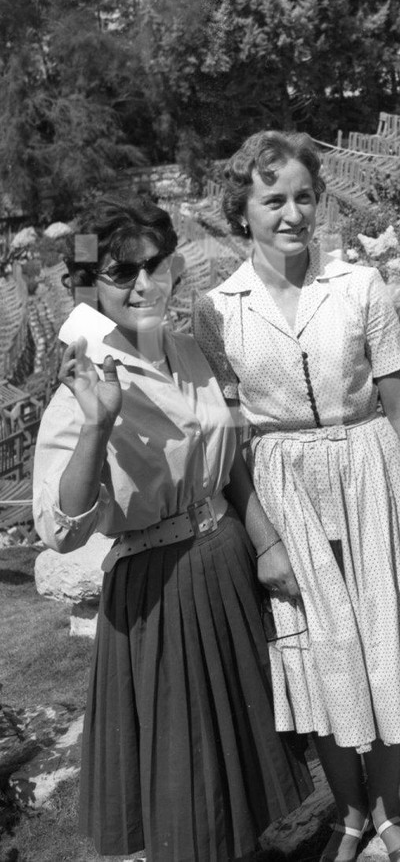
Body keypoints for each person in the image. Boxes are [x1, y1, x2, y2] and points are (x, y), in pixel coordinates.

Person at [33, 196, 312, 862]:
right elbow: (61, 531)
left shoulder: (187, 350)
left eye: (153, 266)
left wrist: (266, 540)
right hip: (160, 589)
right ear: (88, 283)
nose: (141, 286)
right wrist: (98, 423)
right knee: (188, 779)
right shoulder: (85, 384)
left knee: (240, 759)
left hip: (225, 561)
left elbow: (228, 460)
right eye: (119, 273)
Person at [193, 132, 400, 862]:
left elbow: (399, 404)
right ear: (242, 210)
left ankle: (392, 810)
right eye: (273, 199)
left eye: (304, 196)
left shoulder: (359, 285)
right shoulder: (218, 308)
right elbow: (232, 441)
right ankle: (351, 810)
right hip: (283, 485)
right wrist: (264, 536)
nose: (292, 213)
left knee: (380, 637)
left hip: (370, 469)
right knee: (316, 650)